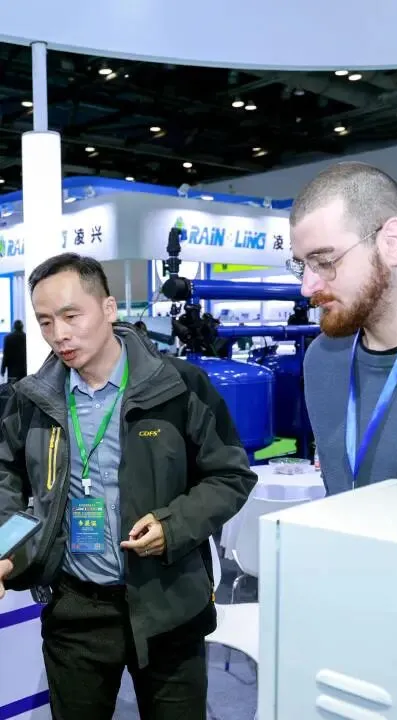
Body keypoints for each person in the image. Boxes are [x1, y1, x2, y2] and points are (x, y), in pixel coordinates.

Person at [0, 252, 257, 720]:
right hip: (76, 610)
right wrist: (8, 547)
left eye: (71, 316)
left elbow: (231, 475)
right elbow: (5, 478)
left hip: (169, 603)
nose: (59, 334)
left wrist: (173, 525)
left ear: (108, 308)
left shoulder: (179, 386)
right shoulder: (32, 400)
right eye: (45, 322)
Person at [288, 161, 397, 495]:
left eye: (324, 262)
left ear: (392, 242)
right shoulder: (322, 359)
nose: (307, 287)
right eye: (302, 266)